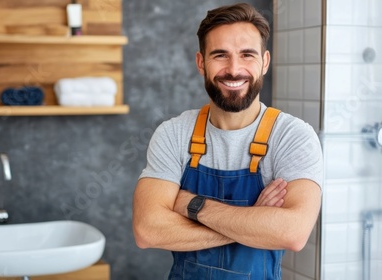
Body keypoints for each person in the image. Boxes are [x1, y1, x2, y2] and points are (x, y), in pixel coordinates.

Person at [132, 3, 323, 279]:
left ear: (265, 62)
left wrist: (192, 205)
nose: (234, 70)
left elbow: (292, 233)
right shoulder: (173, 134)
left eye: (247, 55)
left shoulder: (293, 136)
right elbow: (148, 230)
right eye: (220, 55)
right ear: (201, 63)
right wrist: (254, 221)